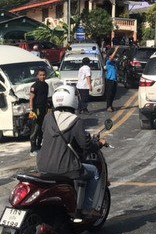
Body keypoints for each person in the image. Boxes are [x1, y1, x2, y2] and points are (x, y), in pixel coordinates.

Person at [36, 85, 106, 215]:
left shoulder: (47, 118)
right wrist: (98, 144)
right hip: (66, 168)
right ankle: (87, 208)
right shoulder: (75, 121)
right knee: (94, 172)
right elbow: (86, 145)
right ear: (73, 100)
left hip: (43, 166)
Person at [28, 68, 49, 155]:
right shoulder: (34, 86)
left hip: (44, 109)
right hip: (36, 110)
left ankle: (39, 145)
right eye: (40, 75)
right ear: (37, 76)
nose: (42, 77)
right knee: (35, 129)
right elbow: (31, 99)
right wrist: (31, 110)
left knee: (42, 128)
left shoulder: (46, 85)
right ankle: (33, 148)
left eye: (44, 75)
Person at [104, 46, 120, 112]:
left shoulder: (114, 64)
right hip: (109, 80)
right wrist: (115, 50)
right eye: (113, 56)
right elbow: (111, 58)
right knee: (109, 94)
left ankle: (111, 105)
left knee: (113, 94)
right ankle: (108, 106)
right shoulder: (108, 62)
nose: (114, 57)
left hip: (114, 80)